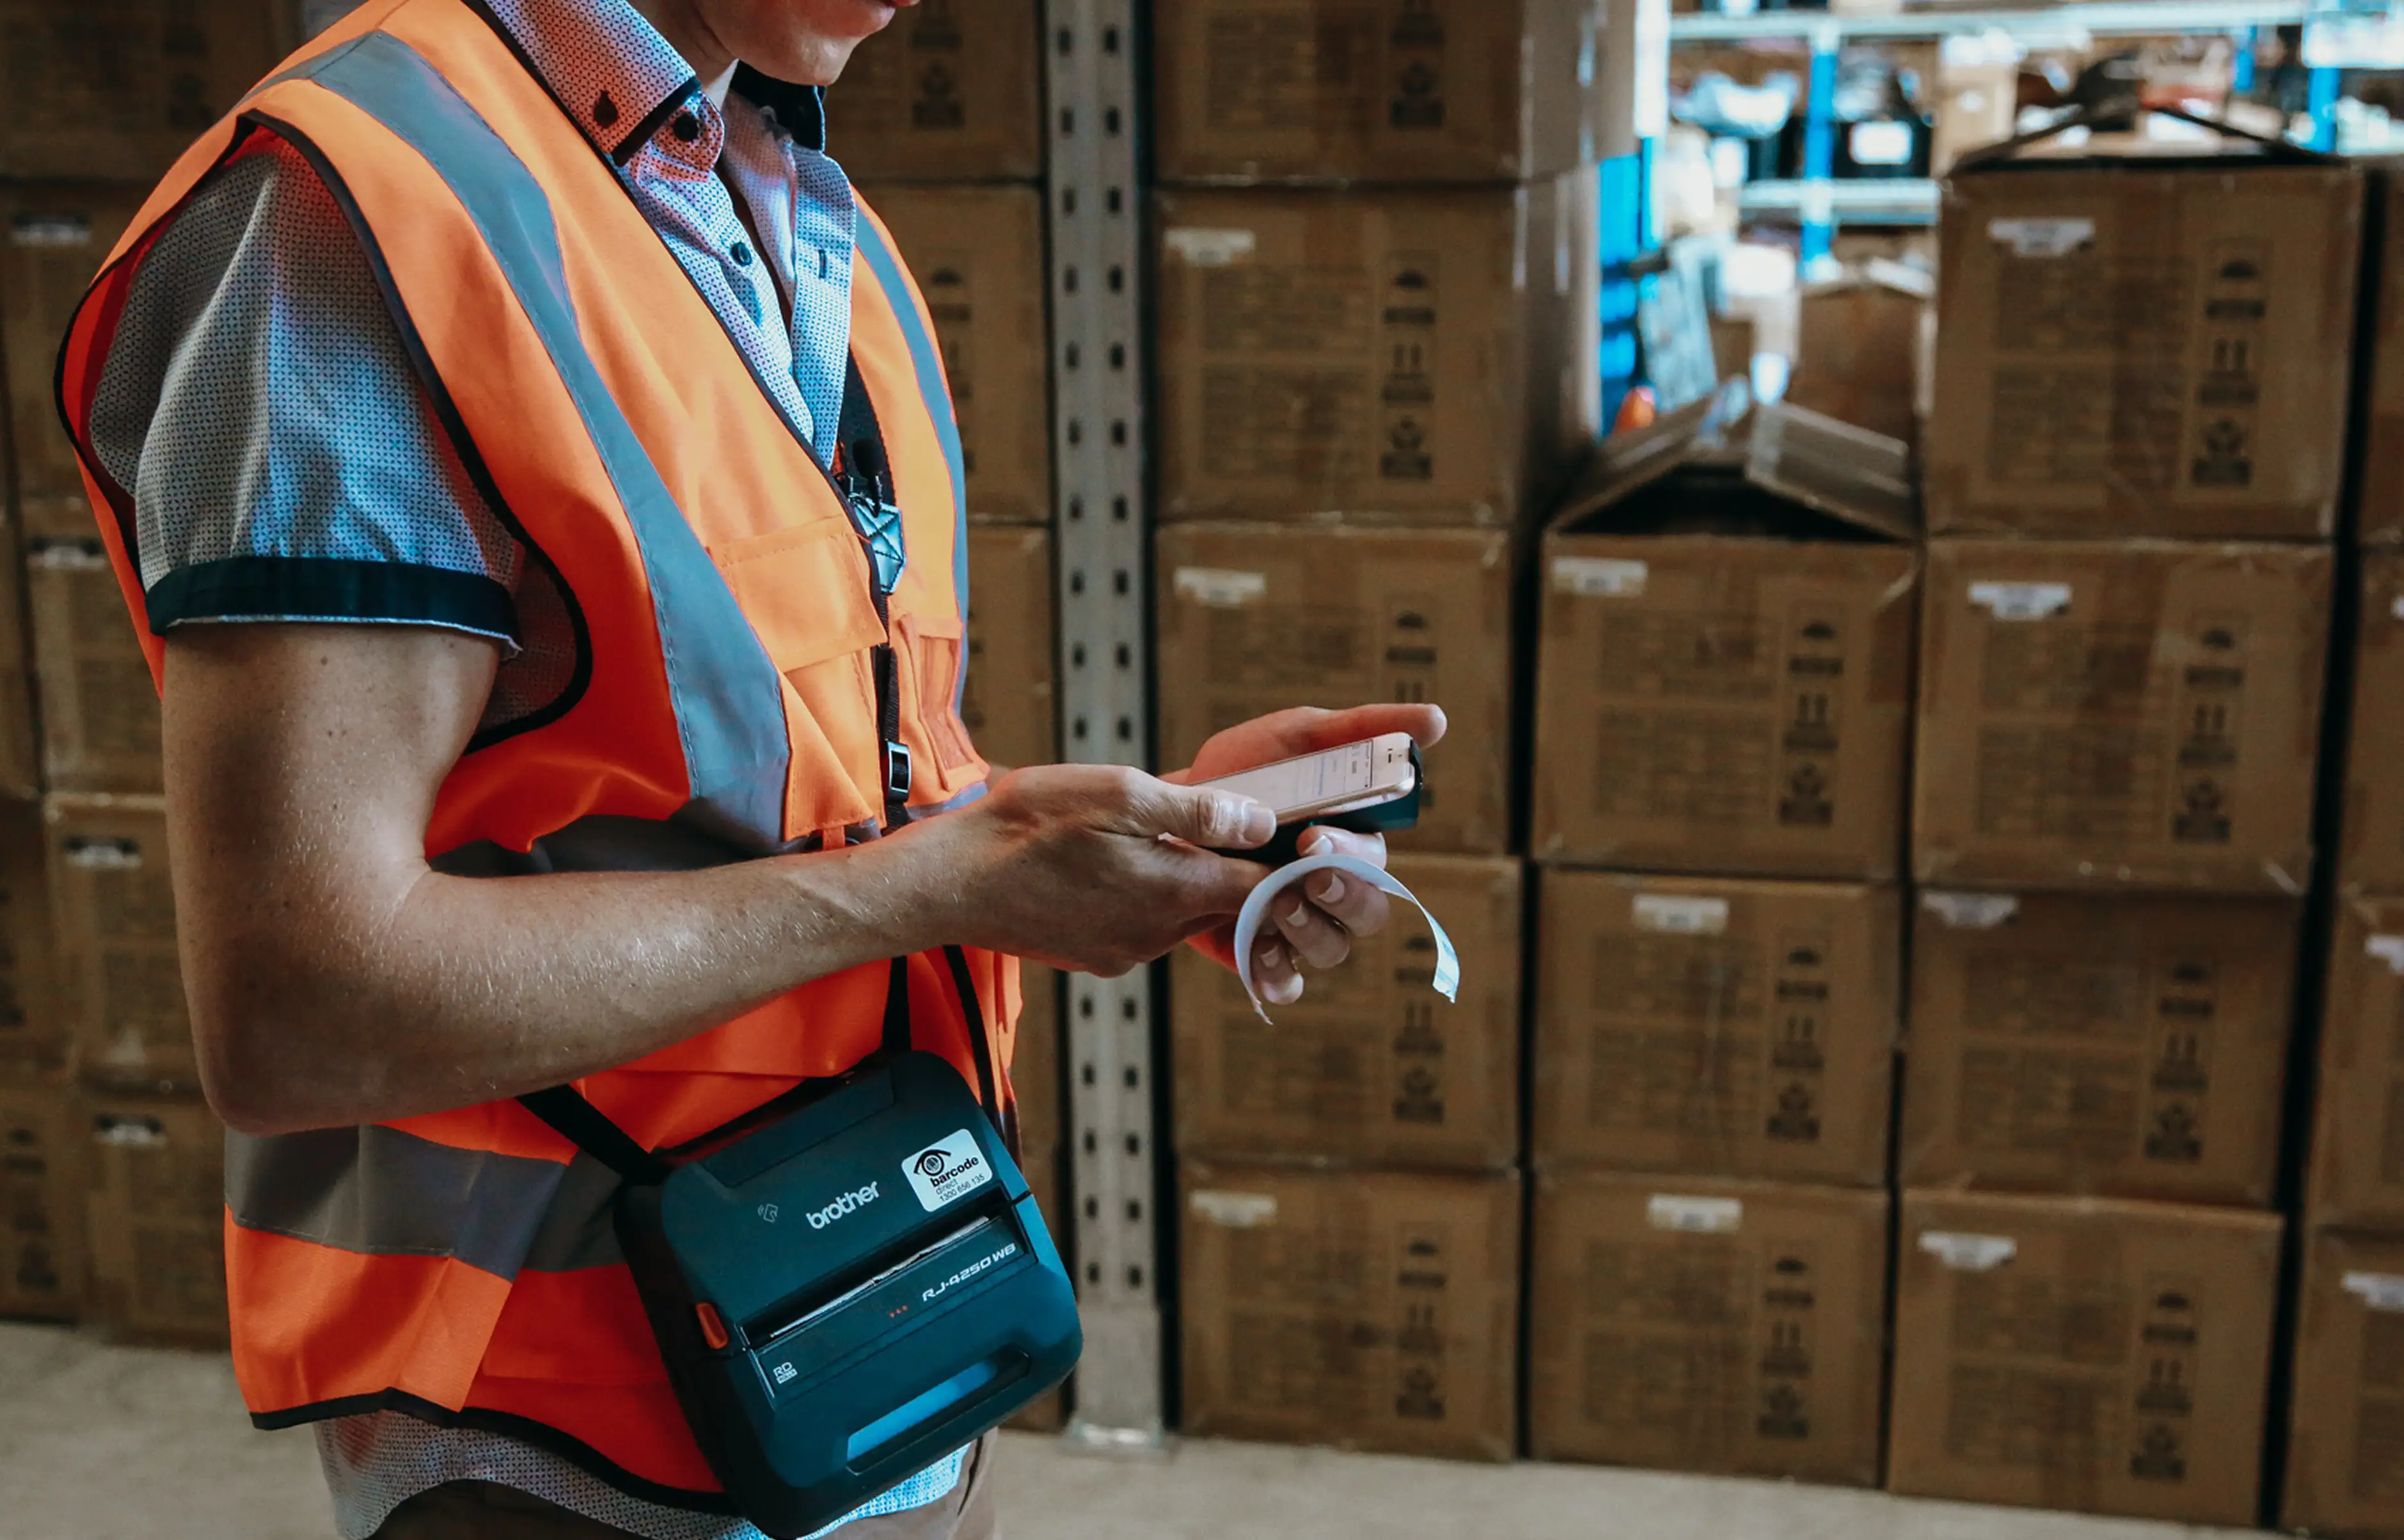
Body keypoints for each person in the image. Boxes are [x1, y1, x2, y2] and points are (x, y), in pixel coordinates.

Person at [52, 0, 1443, 1534]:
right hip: (572, 1432)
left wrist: (1130, 834)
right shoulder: (351, 221)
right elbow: (300, 1006)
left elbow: (800, 796)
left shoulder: (784, 211)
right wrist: (923, 889)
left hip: (877, 1337)